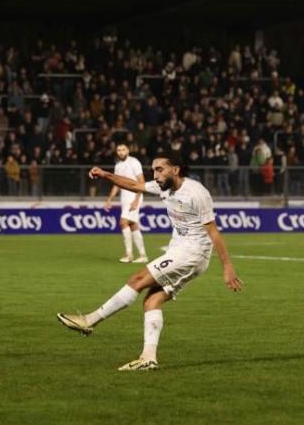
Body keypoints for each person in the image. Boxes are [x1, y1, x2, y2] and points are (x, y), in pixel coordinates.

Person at [58, 152, 243, 371]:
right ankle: (148, 357)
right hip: (181, 250)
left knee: (137, 279)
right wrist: (107, 175)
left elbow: (213, 231)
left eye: (159, 169)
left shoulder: (196, 193)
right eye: (153, 170)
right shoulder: (162, 186)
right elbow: (134, 186)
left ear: (175, 169)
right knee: (152, 301)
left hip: (192, 253)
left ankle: (89, 320)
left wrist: (228, 267)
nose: (155, 174)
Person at [103, 143, 148, 263]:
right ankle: (143, 255)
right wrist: (109, 199)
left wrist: (137, 199)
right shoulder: (118, 165)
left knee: (123, 223)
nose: (121, 152)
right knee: (132, 224)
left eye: (123, 149)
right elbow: (117, 184)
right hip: (125, 197)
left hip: (134, 196)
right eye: (118, 150)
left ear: (128, 150)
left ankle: (129, 255)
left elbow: (141, 182)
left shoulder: (134, 162)